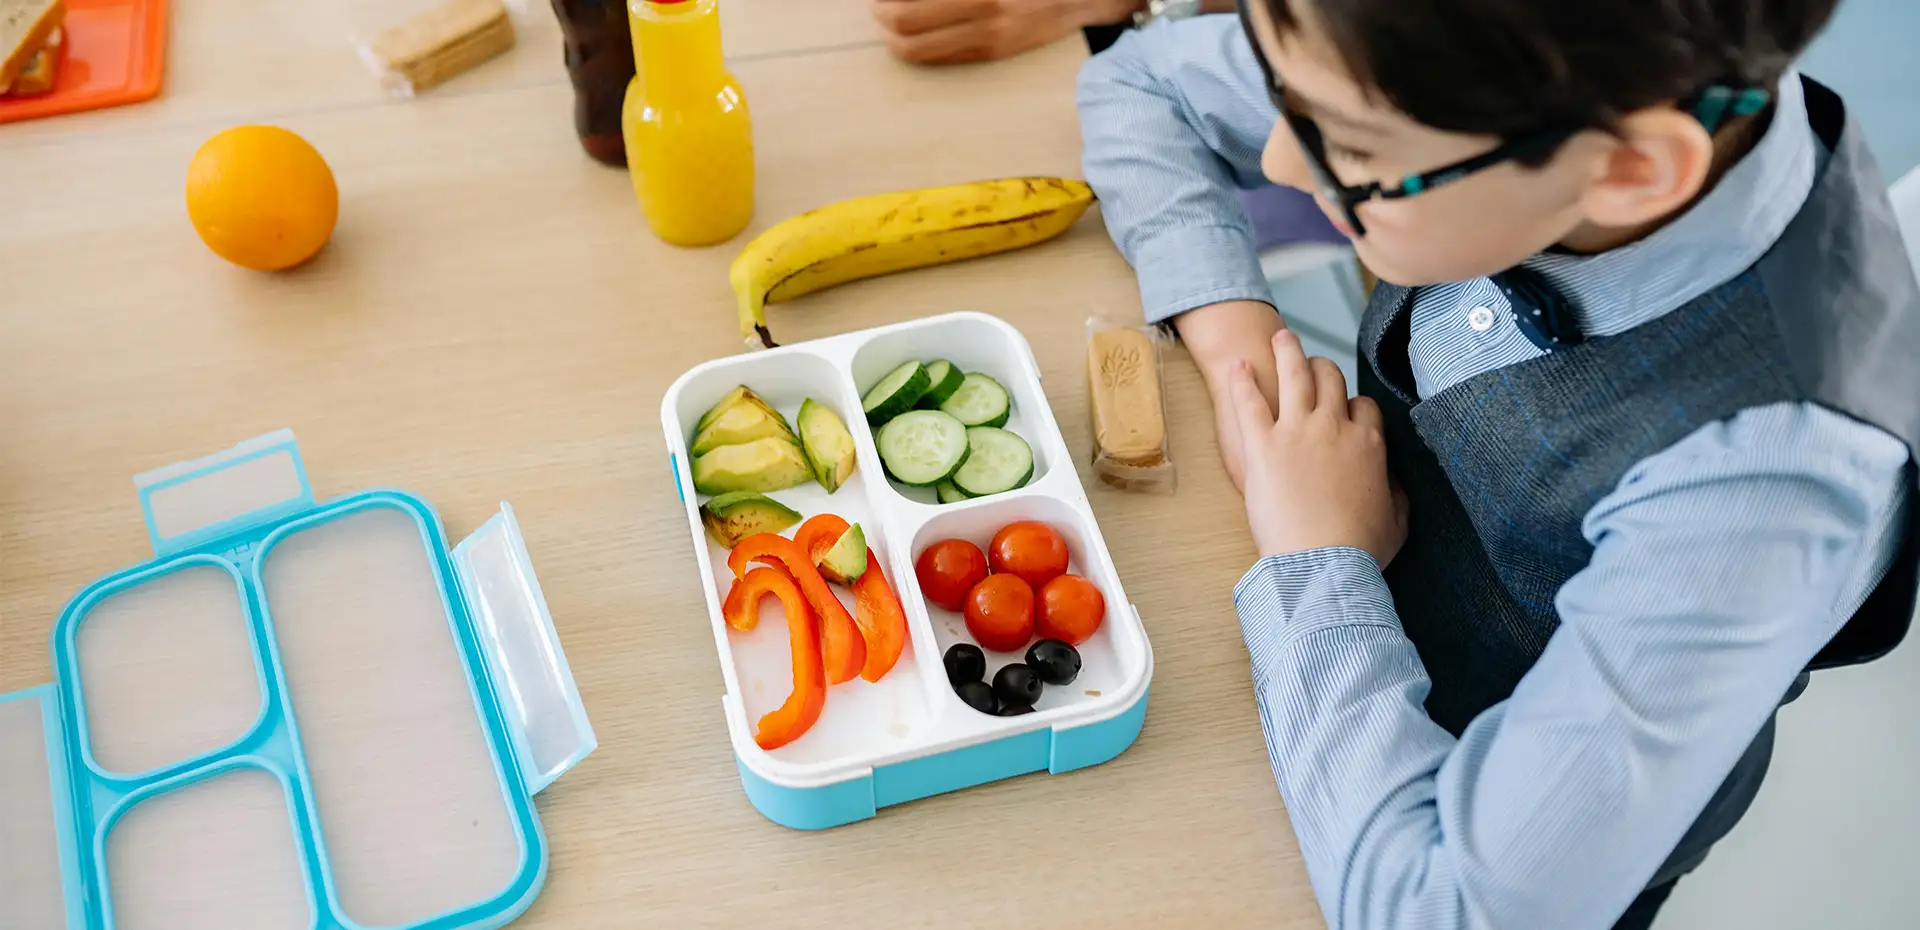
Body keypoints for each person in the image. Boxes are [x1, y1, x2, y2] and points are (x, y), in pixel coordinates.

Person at [1078, 2, 1920, 928]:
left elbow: (1446, 910)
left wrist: (1320, 558)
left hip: (1445, 799)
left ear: (1630, 172)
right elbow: (1142, 79)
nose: (1278, 163)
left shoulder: (1764, 483)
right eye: (1284, 97)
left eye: (1351, 154)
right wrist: (1245, 351)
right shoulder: (1493, 68)